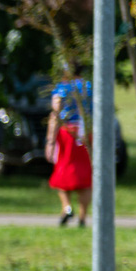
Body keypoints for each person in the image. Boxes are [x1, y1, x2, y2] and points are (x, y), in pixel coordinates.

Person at [47, 70, 93, 227]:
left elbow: (55, 114)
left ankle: (67, 207)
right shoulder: (90, 88)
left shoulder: (62, 88)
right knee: (85, 176)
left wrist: (50, 141)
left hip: (67, 133)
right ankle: (82, 217)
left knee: (63, 172)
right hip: (87, 134)